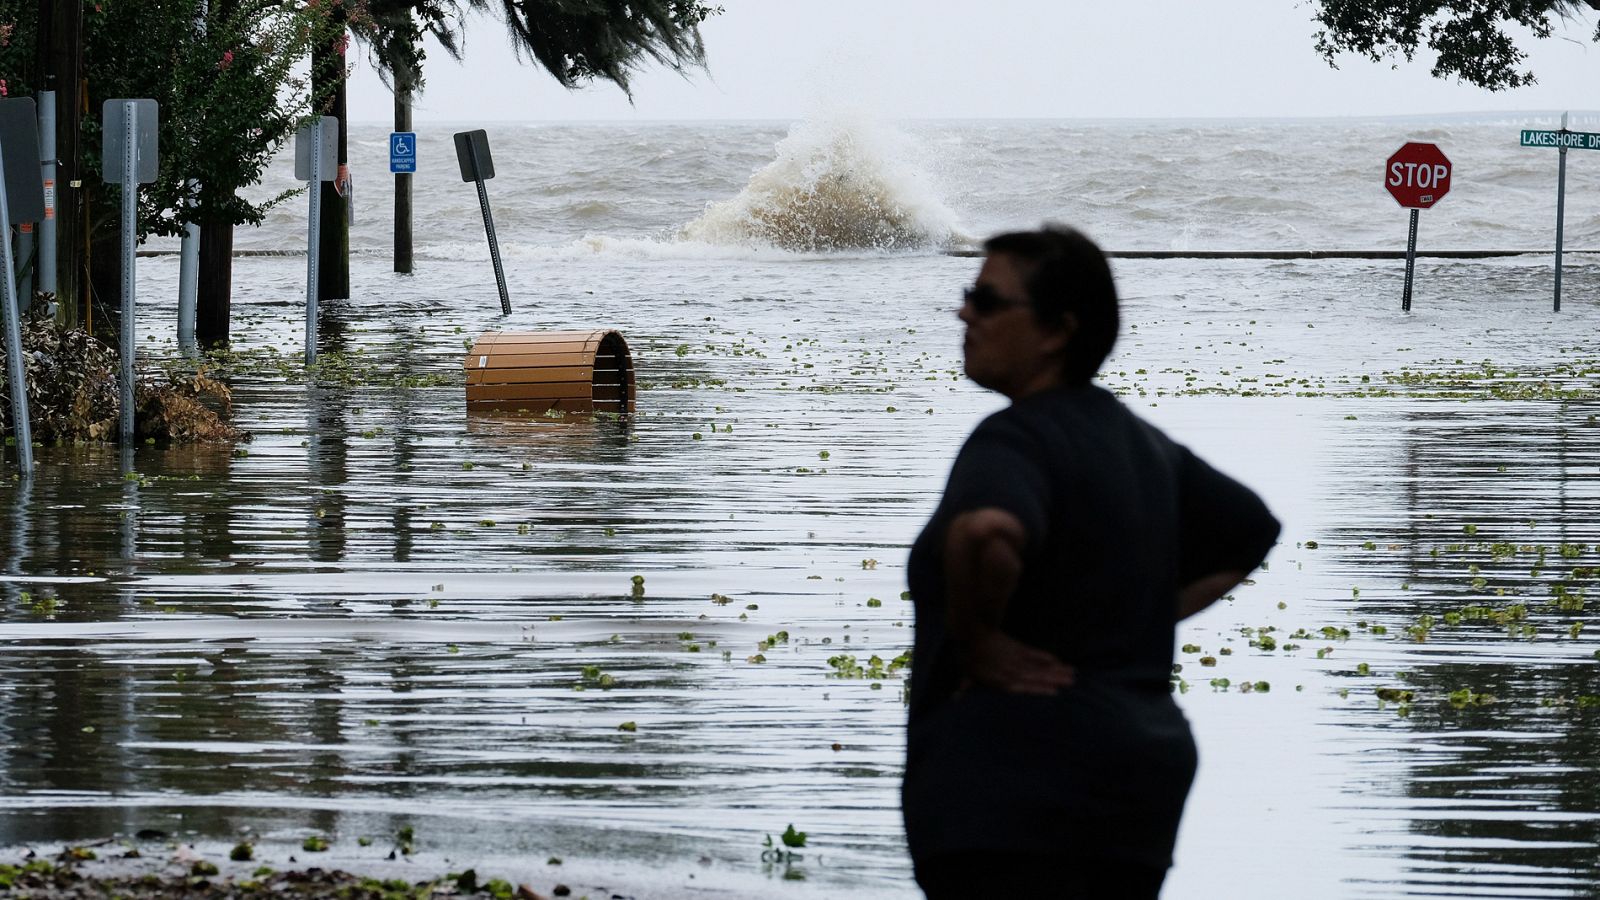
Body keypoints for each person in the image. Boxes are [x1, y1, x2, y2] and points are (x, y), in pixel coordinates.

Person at [901, 226, 1280, 899]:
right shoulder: (1144, 444)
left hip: (1011, 790)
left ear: (1056, 332)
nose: (964, 313)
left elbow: (984, 533)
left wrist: (980, 642)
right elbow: (1249, 531)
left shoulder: (1013, 438)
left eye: (987, 301)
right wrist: (1141, 618)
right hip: (1137, 787)